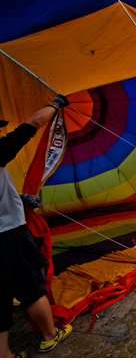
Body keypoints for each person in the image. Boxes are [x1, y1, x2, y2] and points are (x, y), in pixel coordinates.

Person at [1, 95, 73, 358]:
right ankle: (49, 336)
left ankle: (4, 353)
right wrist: (56, 104)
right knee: (31, 287)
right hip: (8, 234)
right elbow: (33, 123)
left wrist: (19, 198)